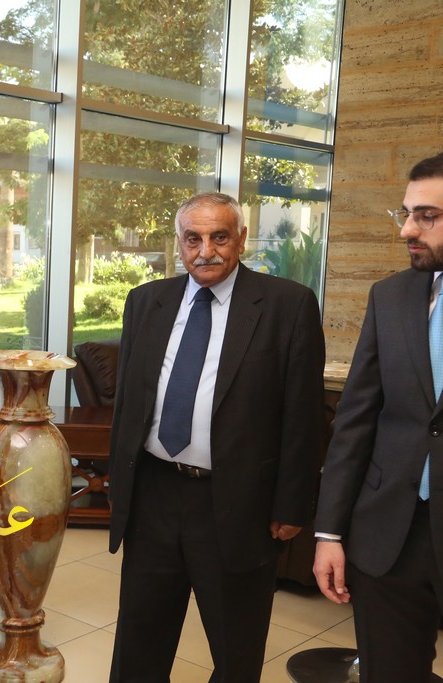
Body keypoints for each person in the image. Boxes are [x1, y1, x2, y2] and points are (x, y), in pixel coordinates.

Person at [106, 191, 325, 682]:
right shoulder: (146, 302)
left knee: (235, 646)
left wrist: (292, 505)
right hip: (154, 495)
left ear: (241, 240)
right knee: (140, 637)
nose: (205, 251)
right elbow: (129, 406)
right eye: (193, 239)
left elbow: (304, 416)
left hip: (238, 502)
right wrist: (120, 486)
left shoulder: (287, 305)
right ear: (179, 244)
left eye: (219, 237)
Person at [313, 152, 443, 682]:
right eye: (406, 213)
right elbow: (356, 420)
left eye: (427, 216)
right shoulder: (389, 297)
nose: (407, 230)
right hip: (390, 536)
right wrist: (328, 533)